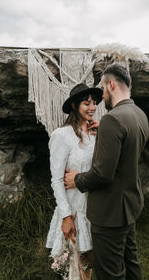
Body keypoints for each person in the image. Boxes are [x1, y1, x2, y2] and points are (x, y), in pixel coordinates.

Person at [64, 63, 149, 280]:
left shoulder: (113, 119)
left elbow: (102, 174)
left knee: (110, 272)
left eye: (102, 88)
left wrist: (77, 179)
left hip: (110, 213)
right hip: (130, 205)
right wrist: (109, 131)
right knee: (131, 263)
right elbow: (128, 149)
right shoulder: (138, 114)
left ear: (111, 84)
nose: (101, 95)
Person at [46, 83, 103, 280]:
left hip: (92, 208)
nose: (93, 107)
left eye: (94, 103)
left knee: (88, 264)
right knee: (74, 268)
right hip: (73, 209)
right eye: (87, 103)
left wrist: (102, 133)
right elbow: (56, 180)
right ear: (74, 106)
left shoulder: (95, 134)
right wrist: (66, 216)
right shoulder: (61, 136)